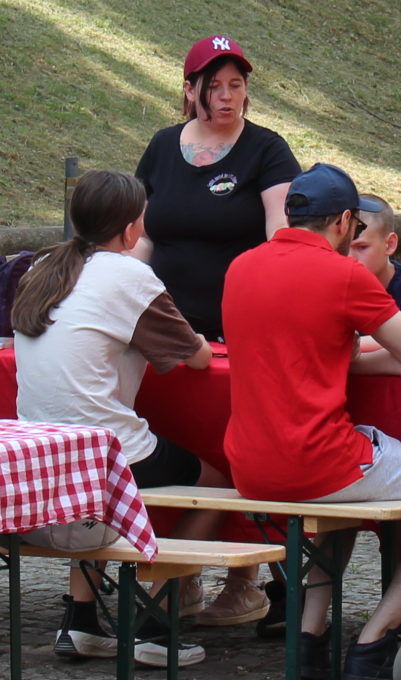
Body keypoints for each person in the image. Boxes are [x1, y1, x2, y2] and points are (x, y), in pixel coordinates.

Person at [222, 163, 401, 680]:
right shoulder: (345, 275)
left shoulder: (240, 267)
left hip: (249, 465)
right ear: (347, 222)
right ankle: (374, 642)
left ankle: (309, 639)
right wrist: (351, 361)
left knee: (342, 510)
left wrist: (336, 359)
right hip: (317, 460)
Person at [15, 170, 269, 649]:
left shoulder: (41, 268)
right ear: (132, 227)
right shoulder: (129, 275)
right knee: (216, 483)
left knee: (91, 485)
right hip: (102, 449)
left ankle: (82, 620)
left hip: (40, 449)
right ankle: (158, 620)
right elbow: (194, 357)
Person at [134, 36, 301, 338]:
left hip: (237, 326)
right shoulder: (162, 145)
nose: (227, 96)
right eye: (214, 86)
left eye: (235, 85)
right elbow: (140, 235)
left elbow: (283, 235)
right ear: (189, 90)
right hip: (162, 328)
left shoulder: (268, 150)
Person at [349, 194, 401, 310]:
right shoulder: (330, 284)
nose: (350, 257)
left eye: (362, 247)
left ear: (390, 244)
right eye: (342, 248)